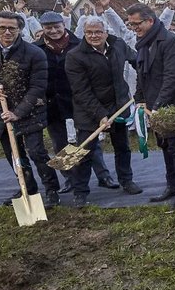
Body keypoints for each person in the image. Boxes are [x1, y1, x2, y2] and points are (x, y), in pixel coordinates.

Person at [0, 11, 60, 208]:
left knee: (37, 152)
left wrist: (18, 112)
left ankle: (52, 188)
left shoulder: (35, 53)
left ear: (20, 29)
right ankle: (27, 187)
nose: (7, 32)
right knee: (15, 154)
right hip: (0, 112)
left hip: (30, 110)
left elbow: (38, 87)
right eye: (3, 27)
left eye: (12, 28)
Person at [64, 16, 144, 208]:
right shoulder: (75, 56)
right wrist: (100, 115)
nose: (94, 36)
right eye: (89, 32)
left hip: (119, 106)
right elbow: (81, 91)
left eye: (98, 32)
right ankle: (80, 191)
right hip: (88, 110)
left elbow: (137, 60)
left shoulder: (118, 45)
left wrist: (145, 78)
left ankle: (126, 180)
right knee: (84, 151)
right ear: (84, 34)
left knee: (122, 147)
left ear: (106, 33)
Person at [36, 11, 117, 193]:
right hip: (52, 102)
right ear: (43, 29)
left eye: (57, 26)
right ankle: (71, 178)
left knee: (88, 140)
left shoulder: (79, 43)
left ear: (64, 26)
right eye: (48, 28)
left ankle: (103, 175)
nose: (54, 31)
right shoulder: (37, 48)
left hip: (79, 100)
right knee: (60, 142)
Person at [127, 3, 175, 209]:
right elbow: (141, 75)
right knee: (164, 145)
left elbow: (172, 78)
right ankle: (171, 186)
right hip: (155, 104)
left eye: (136, 23)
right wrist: (140, 99)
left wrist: (158, 105)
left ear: (150, 20)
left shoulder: (172, 42)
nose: (134, 28)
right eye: (130, 24)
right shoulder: (143, 44)